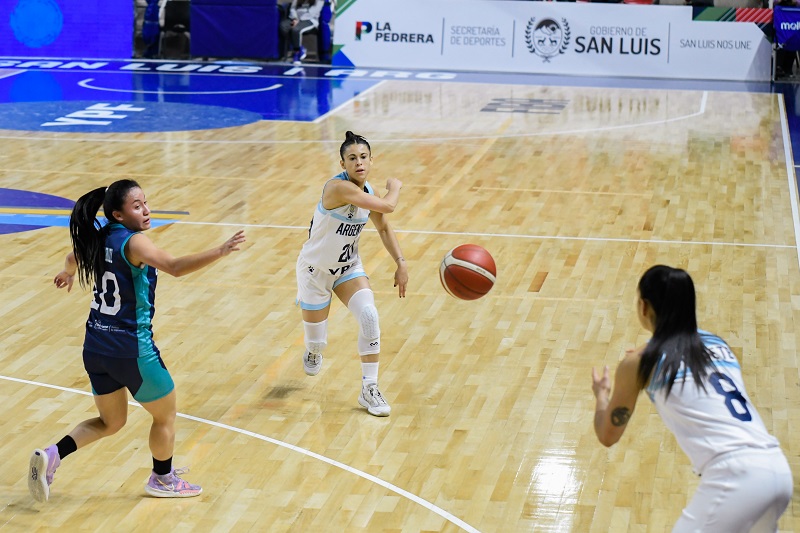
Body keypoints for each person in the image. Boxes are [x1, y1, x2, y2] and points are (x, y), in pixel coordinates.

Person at [28, 179, 246, 502]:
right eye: (136, 206)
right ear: (118, 214)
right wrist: (220, 250)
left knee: (110, 422)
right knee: (165, 415)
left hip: (95, 347)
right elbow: (173, 267)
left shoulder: (97, 238)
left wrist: (68, 273)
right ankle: (162, 477)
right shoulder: (134, 244)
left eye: (145, 202)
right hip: (131, 349)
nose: (146, 210)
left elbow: (72, 257)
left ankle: (53, 454)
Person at [591, 265, 793, 532]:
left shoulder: (638, 363)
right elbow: (671, 347)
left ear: (643, 307)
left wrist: (601, 395)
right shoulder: (718, 343)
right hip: (777, 468)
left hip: (736, 476)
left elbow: (608, 435)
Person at [296, 131, 408, 417]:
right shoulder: (338, 188)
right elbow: (389, 205)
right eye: (352, 158)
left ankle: (369, 388)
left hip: (347, 268)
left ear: (371, 160)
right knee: (317, 343)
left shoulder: (366, 191)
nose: (358, 162)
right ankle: (313, 349)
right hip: (315, 271)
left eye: (363, 157)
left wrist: (401, 262)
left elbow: (383, 226)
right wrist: (394, 186)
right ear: (343, 163)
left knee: (369, 316)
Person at [279, 0, 324, 64]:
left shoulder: (319, 1)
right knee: (283, 26)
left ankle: (296, 53)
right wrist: (295, 18)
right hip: (296, 20)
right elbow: (293, 9)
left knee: (296, 30)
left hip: (310, 20)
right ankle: (300, 48)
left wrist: (299, 21)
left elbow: (312, 13)